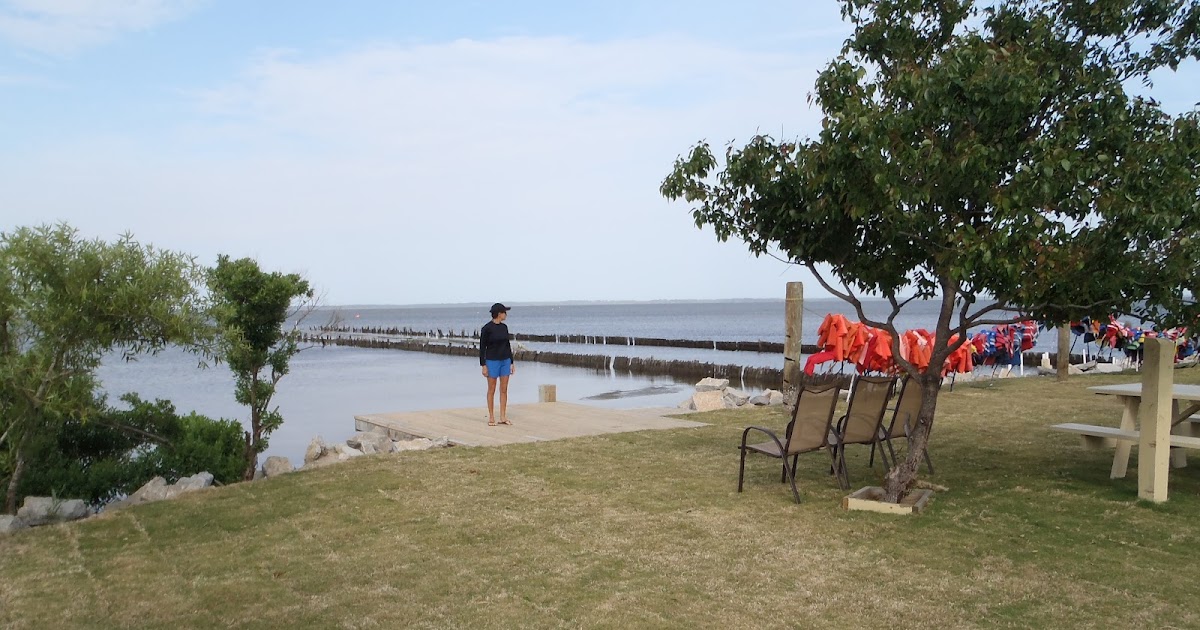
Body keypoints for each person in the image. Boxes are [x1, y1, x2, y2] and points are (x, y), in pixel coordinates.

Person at [479, 303, 515, 426]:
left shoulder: (504, 327)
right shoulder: (486, 328)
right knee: (492, 389)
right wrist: (483, 365)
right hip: (491, 361)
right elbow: (482, 348)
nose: (506, 314)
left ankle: (503, 416)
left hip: (505, 360)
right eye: (505, 312)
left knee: (504, 389)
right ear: (499, 313)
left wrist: (511, 362)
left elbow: (507, 345)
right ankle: (491, 417)